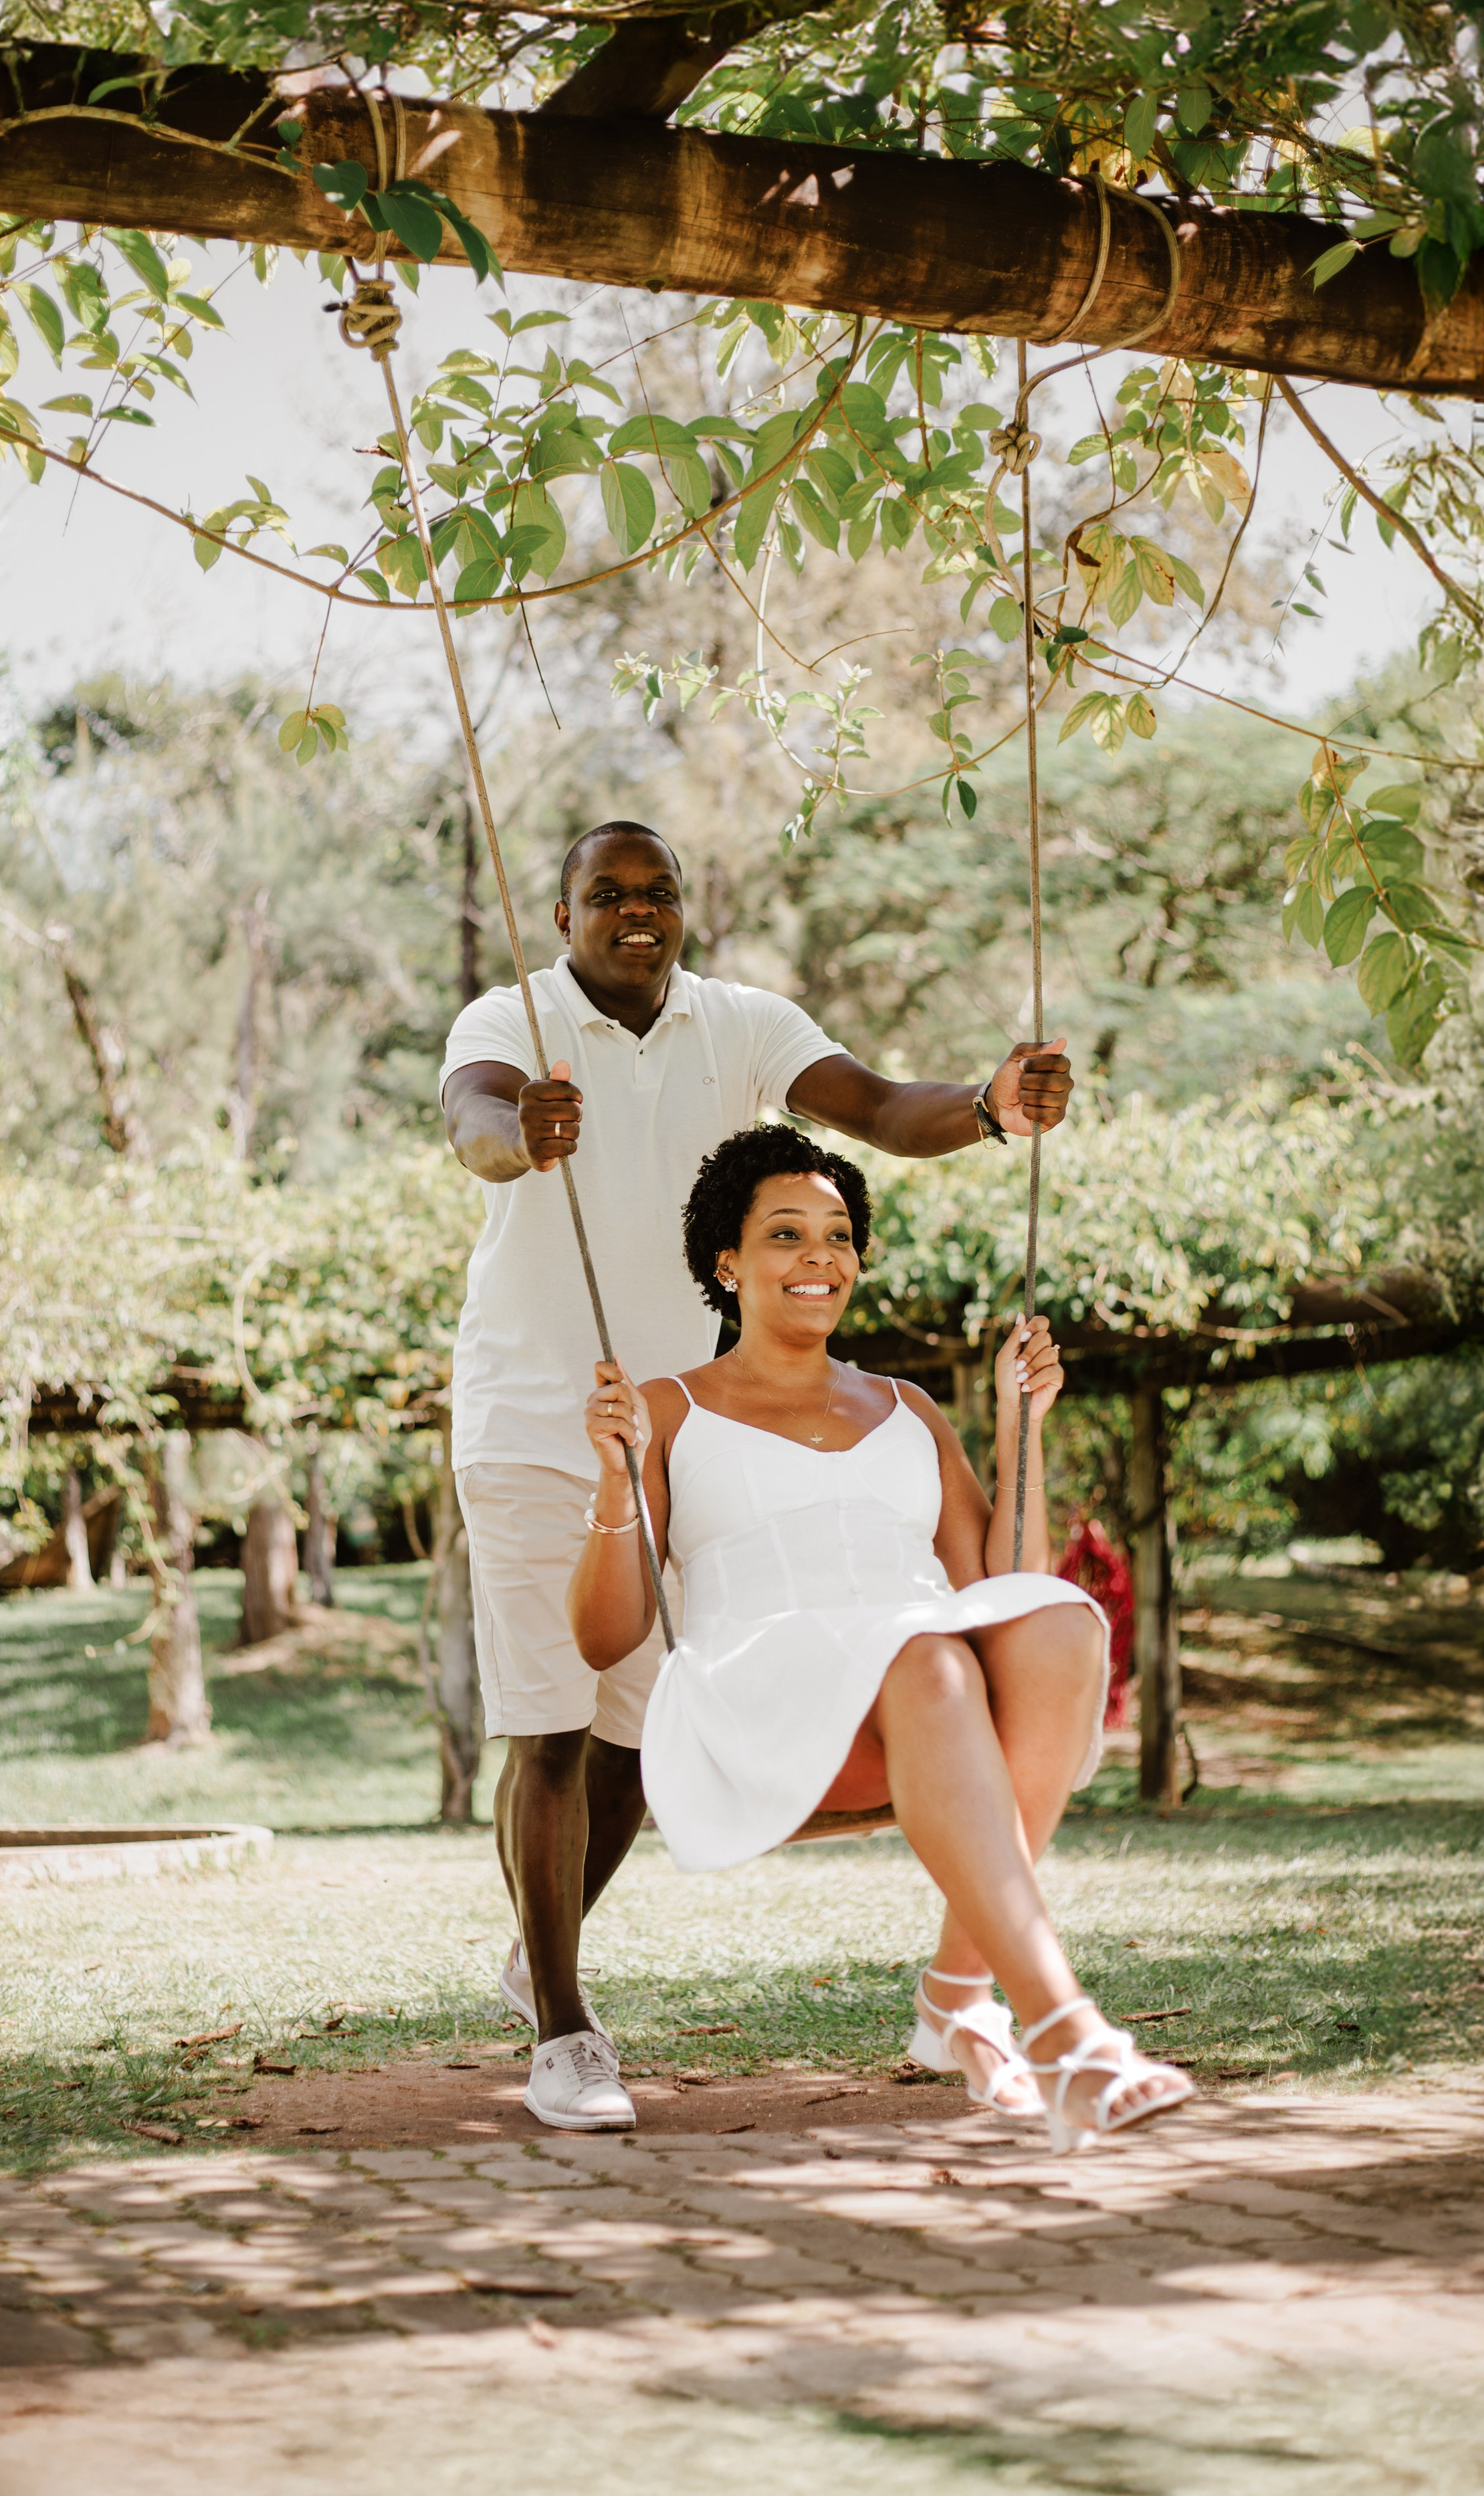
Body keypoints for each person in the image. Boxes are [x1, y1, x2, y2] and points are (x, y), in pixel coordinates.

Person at [441, 818, 1075, 2132]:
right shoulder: (507, 1017)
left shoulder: (739, 1023)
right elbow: (473, 1124)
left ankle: (534, 1948)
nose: (635, 912)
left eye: (655, 892)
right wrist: (526, 1135)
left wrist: (984, 1107)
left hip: (678, 1436)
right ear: (562, 916)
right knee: (552, 1723)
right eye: (604, 895)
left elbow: (875, 1110)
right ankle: (563, 2029)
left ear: (683, 908)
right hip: (531, 1426)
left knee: (631, 1730)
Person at [568, 1125, 1193, 2153]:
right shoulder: (668, 1410)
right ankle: (1063, 2030)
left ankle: (961, 1992)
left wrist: (1018, 1419)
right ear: (726, 1263)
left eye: (839, 1235)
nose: (820, 1256)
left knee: (1062, 1627)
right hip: (762, 1695)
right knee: (931, 1657)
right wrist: (611, 1480)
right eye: (785, 1234)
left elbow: (1005, 1587)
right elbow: (607, 1638)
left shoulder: (908, 1409)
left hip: (920, 1680)